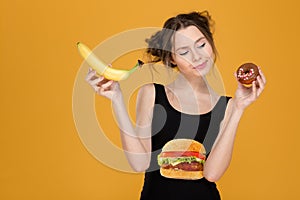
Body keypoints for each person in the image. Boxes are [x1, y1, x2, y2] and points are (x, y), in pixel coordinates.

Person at [85, 11, 266, 200]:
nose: (197, 57)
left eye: (201, 45)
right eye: (184, 52)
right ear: (172, 59)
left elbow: (212, 174)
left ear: (211, 43)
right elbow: (140, 164)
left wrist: (239, 108)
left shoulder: (227, 106)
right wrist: (117, 100)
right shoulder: (151, 94)